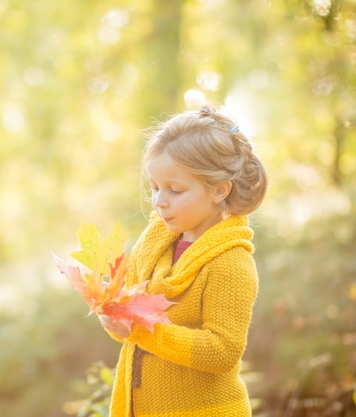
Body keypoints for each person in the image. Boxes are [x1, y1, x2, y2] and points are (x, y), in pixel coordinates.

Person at [99, 105, 268, 416]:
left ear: (220, 189)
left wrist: (139, 329)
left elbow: (222, 352)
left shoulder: (230, 261)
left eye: (175, 190)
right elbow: (133, 322)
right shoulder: (155, 242)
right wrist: (116, 316)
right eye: (155, 187)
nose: (160, 201)